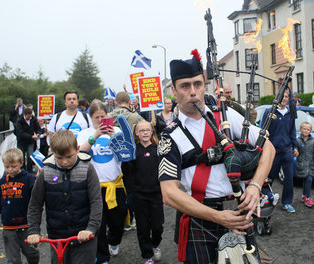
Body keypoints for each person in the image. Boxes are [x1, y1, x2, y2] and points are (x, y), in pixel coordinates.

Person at [159, 52, 275, 263]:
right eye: (185, 86)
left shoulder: (227, 115)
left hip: (239, 210)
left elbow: (268, 148)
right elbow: (169, 193)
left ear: (205, 86)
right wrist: (217, 217)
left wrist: (256, 186)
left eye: (197, 84)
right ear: (174, 90)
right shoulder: (170, 136)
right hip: (201, 216)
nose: (193, 92)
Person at [27, 129, 102, 264]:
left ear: (78, 149)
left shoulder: (87, 169)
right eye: (59, 158)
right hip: (57, 238)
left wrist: (91, 228)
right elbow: (35, 204)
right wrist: (33, 231)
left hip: (83, 235)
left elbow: (96, 202)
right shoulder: (46, 172)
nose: (65, 162)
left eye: (69, 156)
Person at [77, 102, 127, 264]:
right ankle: (103, 257)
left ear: (108, 116)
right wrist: (96, 135)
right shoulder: (85, 133)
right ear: (90, 118)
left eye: (102, 116)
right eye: (96, 117)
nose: (100, 120)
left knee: (117, 222)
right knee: (98, 224)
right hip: (94, 187)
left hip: (115, 185)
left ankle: (115, 241)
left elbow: (125, 154)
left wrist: (113, 135)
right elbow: (80, 152)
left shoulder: (117, 130)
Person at [0, 148, 40, 264]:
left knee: (32, 253)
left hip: (26, 226)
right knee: (12, 260)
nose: (10, 170)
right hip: (8, 227)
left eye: (13, 166)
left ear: (21, 163)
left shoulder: (29, 179)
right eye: (7, 167)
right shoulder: (2, 182)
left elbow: (36, 201)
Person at [122, 121, 164, 264]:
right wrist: (131, 193)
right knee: (143, 227)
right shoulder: (132, 150)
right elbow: (126, 173)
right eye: (142, 130)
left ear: (152, 132)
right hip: (139, 196)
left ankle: (155, 244)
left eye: (148, 130)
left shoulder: (159, 149)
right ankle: (147, 255)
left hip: (156, 194)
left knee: (158, 226)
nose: (145, 132)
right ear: (136, 133)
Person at [262, 90, 299, 213]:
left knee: (289, 178)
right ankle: (266, 199)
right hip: (273, 151)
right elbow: (263, 130)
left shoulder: (290, 113)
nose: (284, 98)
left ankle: (287, 202)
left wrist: (295, 147)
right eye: (282, 96)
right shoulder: (269, 112)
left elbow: (292, 132)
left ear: (288, 99)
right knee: (269, 177)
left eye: (286, 97)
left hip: (287, 150)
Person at [296, 122, 314, 208]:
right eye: (304, 129)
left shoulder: (313, 140)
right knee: (305, 180)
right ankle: (303, 196)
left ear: (310, 131)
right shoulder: (298, 140)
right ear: (300, 129)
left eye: (308, 129)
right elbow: (295, 149)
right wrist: (295, 151)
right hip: (302, 163)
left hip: (311, 163)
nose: (306, 131)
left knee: (309, 179)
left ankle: (308, 197)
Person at [14, 108, 41, 173]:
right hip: (21, 141)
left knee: (30, 155)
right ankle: (22, 170)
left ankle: (29, 169)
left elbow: (37, 127)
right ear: (24, 114)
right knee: (21, 157)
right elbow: (20, 132)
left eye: (30, 116)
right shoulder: (19, 121)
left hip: (30, 141)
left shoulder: (33, 119)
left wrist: (38, 133)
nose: (29, 117)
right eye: (28, 116)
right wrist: (31, 136)